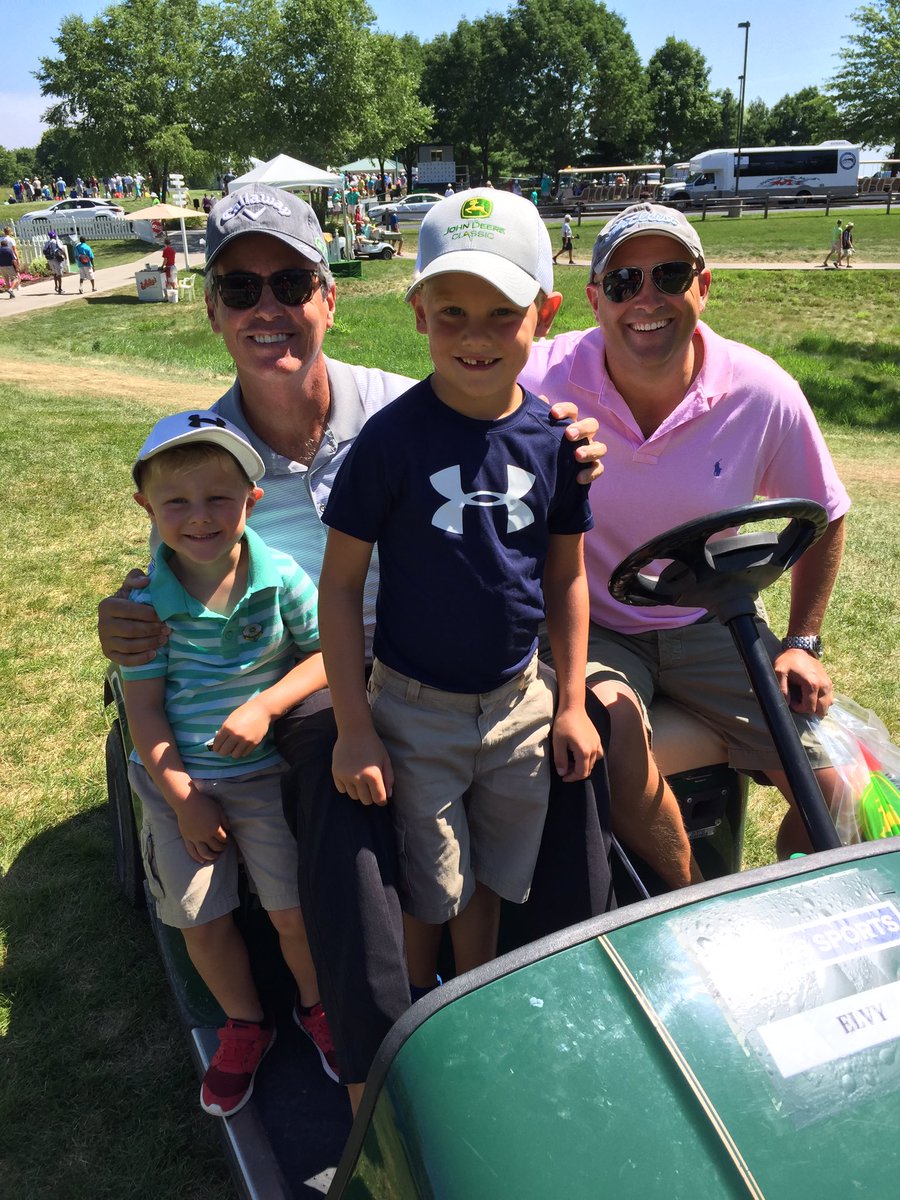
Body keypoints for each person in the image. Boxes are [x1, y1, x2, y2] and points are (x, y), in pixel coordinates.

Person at [97, 184, 606, 1116]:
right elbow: (184, 581)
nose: (268, 309)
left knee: (595, 723)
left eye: (290, 281)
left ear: (330, 296)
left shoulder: (401, 406)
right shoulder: (206, 463)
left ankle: (582, 987)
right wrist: (127, 619)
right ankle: (376, 1041)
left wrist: (569, 433)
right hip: (329, 672)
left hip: (482, 658)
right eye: (241, 289)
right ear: (210, 307)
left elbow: (503, 390)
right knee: (342, 769)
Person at [318, 189, 601, 994]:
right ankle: (415, 1024)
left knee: (492, 882)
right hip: (414, 713)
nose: (475, 338)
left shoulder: (556, 441)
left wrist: (571, 699)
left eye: (501, 314)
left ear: (544, 315)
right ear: (418, 315)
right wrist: (352, 727)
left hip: (520, 707)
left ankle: (470, 1001)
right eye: (451, 314)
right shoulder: (390, 440)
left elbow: (565, 573)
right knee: (429, 889)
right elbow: (339, 588)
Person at [520, 203, 850, 885]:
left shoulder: (760, 391)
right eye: (623, 282)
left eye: (669, 275)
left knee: (838, 787)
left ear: (704, 286)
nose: (647, 298)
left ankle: (795, 907)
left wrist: (801, 641)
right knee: (613, 730)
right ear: (593, 300)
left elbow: (827, 510)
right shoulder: (538, 381)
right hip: (594, 623)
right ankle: (692, 901)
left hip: (711, 619)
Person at [120, 409, 338, 1118]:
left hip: (262, 779)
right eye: (176, 502)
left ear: (253, 500)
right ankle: (245, 1024)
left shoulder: (279, 577)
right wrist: (184, 797)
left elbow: (328, 656)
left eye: (219, 498)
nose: (199, 517)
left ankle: (316, 1009)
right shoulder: (146, 604)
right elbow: (145, 712)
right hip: (174, 781)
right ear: (146, 507)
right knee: (200, 920)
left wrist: (268, 705)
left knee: (292, 912)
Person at [0, 230, 19, 299]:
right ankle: (11, 289)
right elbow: (13, 260)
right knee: (15, 279)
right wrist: (17, 267)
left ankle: (11, 294)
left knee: (6, 280)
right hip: (9, 266)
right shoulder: (9, 250)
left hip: (2, 267)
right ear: (6, 244)